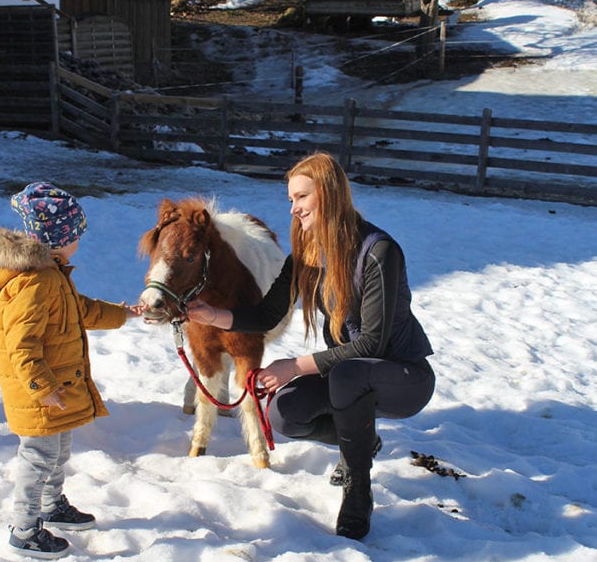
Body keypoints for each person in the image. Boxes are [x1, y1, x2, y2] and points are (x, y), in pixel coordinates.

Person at [186, 153, 435, 541]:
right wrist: (212, 316)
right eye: (291, 200)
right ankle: (362, 439)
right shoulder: (307, 252)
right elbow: (267, 313)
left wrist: (295, 366)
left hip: (402, 375)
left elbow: (372, 341)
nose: (294, 208)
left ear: (330, 193)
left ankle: (358, 491)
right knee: (286, 413)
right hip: (347, 375)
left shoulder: (379, 251)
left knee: (350, 374)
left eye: (301, 196)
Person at [0, 181, 143, 559]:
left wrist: (122, 314)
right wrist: (41, 386)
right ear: (58, 238)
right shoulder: (36, 282)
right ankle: (24, 528)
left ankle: (52, 506)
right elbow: (22, 344)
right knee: (38, 457)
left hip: (55, 389)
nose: (79, 243)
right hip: (41, 393)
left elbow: (79, 309)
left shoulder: (52, 274)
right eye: (76, 236)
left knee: (58, 451)